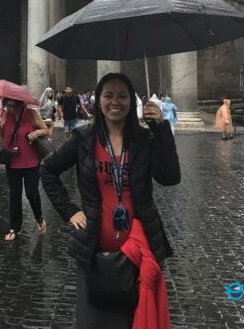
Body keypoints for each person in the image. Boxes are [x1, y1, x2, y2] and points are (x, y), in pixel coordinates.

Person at [40, 72, 181, 328]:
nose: (115, 101)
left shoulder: (144, 139)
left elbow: (170, 177)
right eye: (108, 95)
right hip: (93, 251)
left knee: (133, 320)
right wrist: (69, 211)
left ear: (131, 101)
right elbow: (47, 169)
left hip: (137, 251)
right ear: (98, 100)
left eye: (122, 96)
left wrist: (161, 128)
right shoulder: (84, 138)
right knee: (93, 321)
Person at [0, 97, 52, 241]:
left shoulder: (31, 114)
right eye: (8, 105)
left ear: (20, 103)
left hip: (31, 162)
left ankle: (39, 218)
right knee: (14, 194)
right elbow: (3, 137)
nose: (10, 107)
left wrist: (36, 133)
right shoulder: (5, 115)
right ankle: (14, 228)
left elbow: (47, 131)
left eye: (13, 105)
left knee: (31, 193)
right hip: (12, 162)